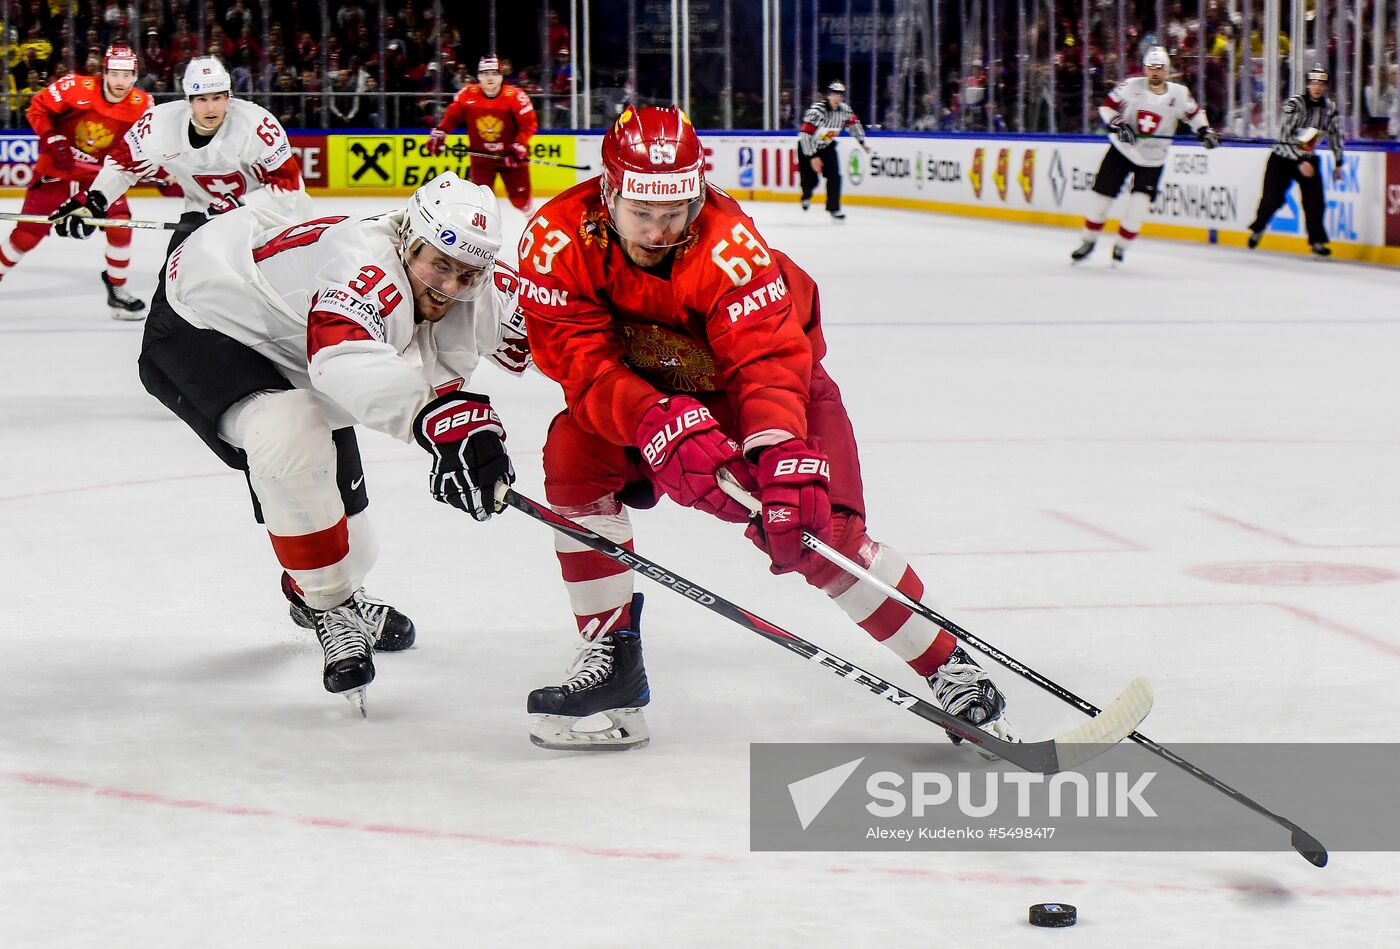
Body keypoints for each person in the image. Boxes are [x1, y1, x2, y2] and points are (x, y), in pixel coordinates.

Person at [514, 106, 1015, 750]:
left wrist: (777, 447)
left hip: (762, 395)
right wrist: (652, 417)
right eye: (643, 212)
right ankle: (612, 657)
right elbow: (580, 364)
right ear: (608, 190)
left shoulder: (729, 244)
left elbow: (767, 361)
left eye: (676, 211)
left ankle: (948, 667)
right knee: (572, 454)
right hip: (647, 397)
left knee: (813, 530)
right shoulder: (557, 239)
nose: (662, 230)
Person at [129, 172, 529, 712]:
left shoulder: (475, 279)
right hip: (202, 321)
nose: (451, 288)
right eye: (439, 265)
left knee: (353, 551)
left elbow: (563, 336)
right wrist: (435, 417)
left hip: (292, 344)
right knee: (287, 428)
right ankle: (329, 606)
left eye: (468, 274)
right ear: (407, 241)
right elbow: (342, 358)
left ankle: (319, 590)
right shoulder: (363, 270)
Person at [49, 56, 312, 259]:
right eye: (202, 99)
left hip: (273, 221)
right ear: (188, 100)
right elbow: (122, 166)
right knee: (173, 294)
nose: (210, 107)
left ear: (229, 97)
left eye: (218, 98)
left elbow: (287, 188)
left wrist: (237, 207)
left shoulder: (257, 125)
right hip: (202, 215)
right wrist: (95, 201)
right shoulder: (159, 124)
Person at [0, 46, 152, 319]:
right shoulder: (74, 87)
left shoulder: (143, 106)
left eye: (126, 75)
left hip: (100, 178)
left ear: (135, 76)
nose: (120, 82)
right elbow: (37, 109)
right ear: (104, 73)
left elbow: (144, 147)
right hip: (56, 170)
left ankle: (117, 290)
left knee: (120, 226)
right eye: (114, 74)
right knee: (26, 235)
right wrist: (52, 138)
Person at [1070, 47, 1220, 264]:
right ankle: (1088, 240)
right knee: (1101, 199)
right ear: (1145, 69)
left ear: (1167, 70)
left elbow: (1195, 115)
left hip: (1153, 158)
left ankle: (1121, 246)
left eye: (1160, 68)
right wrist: (1118, 123)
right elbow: (1107, 108)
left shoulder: (1179, 93)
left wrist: (1204, 131)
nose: (1155, 72)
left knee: (1139, 206)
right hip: (1123, 150)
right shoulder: (1130, 86)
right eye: (1151, 67)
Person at [1246, 65, 1344, 257]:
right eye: (1313, 83)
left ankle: (1316, 241)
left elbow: (1335, 135)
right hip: (1283, 158)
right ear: (1308, 85)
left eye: (1321, 84)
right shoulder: (1294, 104)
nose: (1317, 87)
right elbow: (1285, 134)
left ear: (1326, 87)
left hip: (1308, 158)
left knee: (1315, 202)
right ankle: (1259, 228)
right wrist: (1299, 160)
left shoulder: (1330, 109)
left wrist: (1339, 161)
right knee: (1272, 200)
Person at [426, 54, 539, 213]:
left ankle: (533, 220)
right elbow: (452, 116)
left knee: (521, 201)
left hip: (511, 158)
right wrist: (440, 132)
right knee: (480, 202)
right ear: (479, 76)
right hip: (482, 159)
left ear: (501, 76)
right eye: (485, 73)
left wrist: (520, 143)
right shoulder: (468, 95)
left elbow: (529, 124)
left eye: (494, 73)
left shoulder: (516, 97)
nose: (490, 77)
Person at [798, 80, 871, 221]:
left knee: (834, 177)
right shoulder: (817, 111)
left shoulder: (845, 111)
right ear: (828, 96)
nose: (837, 98)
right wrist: (813, 156)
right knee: (809, 179)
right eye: (834, 94)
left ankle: (834, 208)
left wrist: (862, 142)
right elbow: (805, 134)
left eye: (840, 95)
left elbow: (854, 126)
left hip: (827, 147)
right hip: (808, 147)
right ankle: (806, 195)